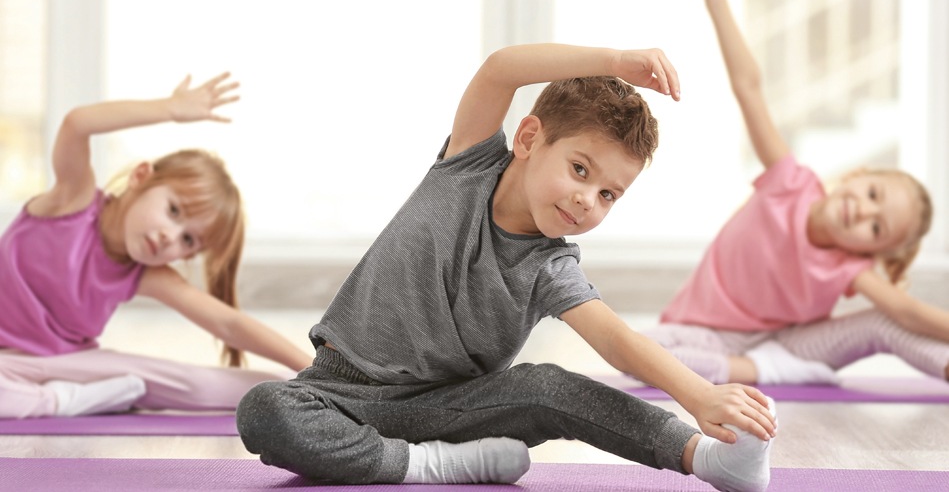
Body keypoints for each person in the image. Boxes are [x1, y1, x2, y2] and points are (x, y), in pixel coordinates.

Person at [236, 44, 777, 492]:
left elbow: (616, 340)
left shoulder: (551, 266)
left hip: (442, 410)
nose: (588, 199)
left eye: (608, 193)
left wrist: (701, 396)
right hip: (335, 392)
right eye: (580, 169)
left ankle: (706, 460)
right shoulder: (466, 165)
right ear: (527, 139)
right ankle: (437, 467)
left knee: (547, 387)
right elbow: (500, 70)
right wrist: (613, 63)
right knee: (264, 409)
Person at [640, 0, 948, 387]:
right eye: (874, 195)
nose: (865, 213)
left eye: (876, 229)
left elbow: (907, 313)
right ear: (857, 176)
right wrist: (716, 0)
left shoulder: (848, 267)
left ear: (870, 251)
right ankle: (760, 372)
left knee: (883, 324)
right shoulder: (790, 182)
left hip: (789, 346)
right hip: (708, 334)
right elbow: (748, 88)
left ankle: (768, 367)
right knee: (640, 352)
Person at [0, 73, 313, 420]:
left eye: (188, 240)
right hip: (6, 364)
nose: (170, 236)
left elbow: (228, 324)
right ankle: (58, 402)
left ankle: (311, 390)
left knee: (199, 384)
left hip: (71, 365)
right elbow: (77, 124)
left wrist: (312, 368)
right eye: (173, 210)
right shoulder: (72, 200)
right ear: (140, 177)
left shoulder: (146, 274)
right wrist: (170, 108)